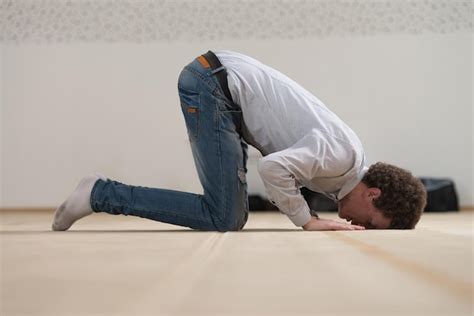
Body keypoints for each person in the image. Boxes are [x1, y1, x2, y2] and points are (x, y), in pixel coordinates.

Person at [52, 50, 427, 232]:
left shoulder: (342, 167)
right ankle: (100, 194)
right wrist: (307, 222)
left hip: (221, 87)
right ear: (373, 195)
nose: (363, 227)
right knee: (226, 216)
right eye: (373, 223)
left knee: (231, 215)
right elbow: (273, 167)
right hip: (214, 85)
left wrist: (308, 214)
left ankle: (100, 193)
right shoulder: (340, 158)